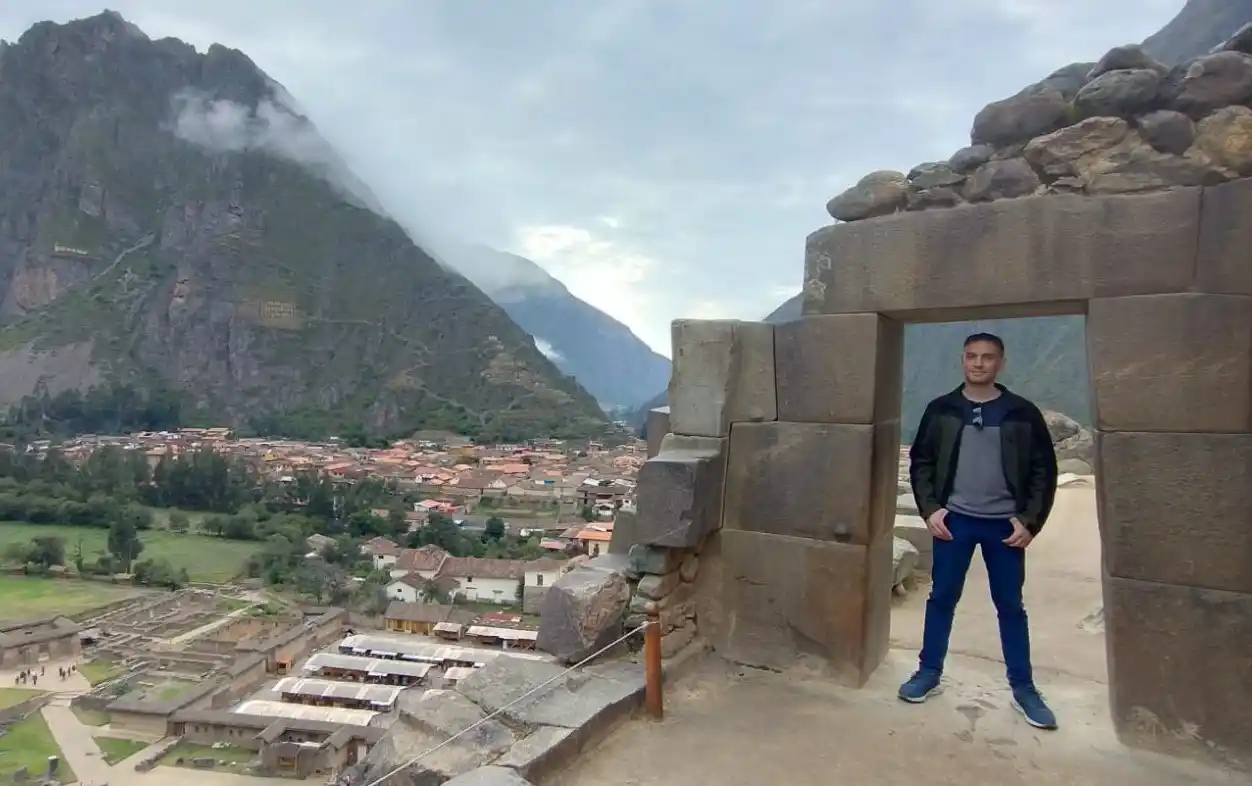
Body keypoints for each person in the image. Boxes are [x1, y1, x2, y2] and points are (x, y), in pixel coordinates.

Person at [897, 332, 1059, 730]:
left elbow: (1043, 470)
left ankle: (1023, 689)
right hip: (955, 522)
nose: (979, 364)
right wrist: (930, 509)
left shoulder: (1021, 413)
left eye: (987, 357)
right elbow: (922, 463)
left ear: (999, 362)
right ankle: (928, 672)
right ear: (962, 360)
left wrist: (1030, 520)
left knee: (1010, 606)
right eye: (972, 356)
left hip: (1005, 525)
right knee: (941, 599)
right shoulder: (942, 410)